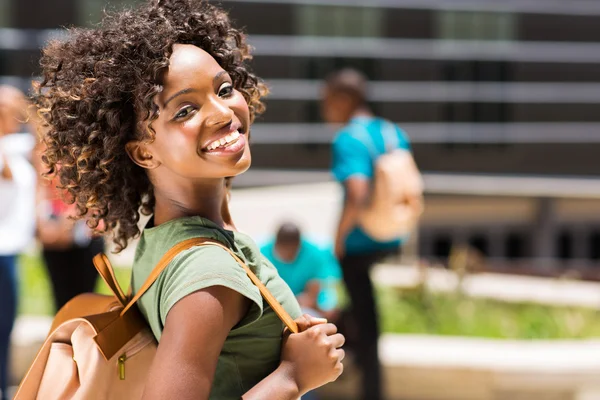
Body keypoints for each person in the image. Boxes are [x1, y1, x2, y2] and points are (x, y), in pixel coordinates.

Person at [33, 1, 344, 399]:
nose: (221, 113)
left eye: (224, 89)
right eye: (185, 110)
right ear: (144, 153)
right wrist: (294, 376)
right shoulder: (207, 271)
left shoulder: (168, 234)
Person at [322, 68, 414, 400]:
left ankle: (370, 388)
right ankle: (366, 378)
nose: (325, 110)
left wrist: (338, 237)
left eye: (328, 102)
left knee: (362, 320)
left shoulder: (348, 138)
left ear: (344, 100)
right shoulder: (392, 132)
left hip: (360, 243)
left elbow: (357, 192)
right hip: (390, 236)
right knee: (365, 316)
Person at [0, 85, 36, 400]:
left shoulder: (14, 145)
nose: (22, 113)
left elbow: (41, 133)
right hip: (2, 254)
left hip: (11, 252)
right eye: (16, 108)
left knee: (5, 330)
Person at [261, 222, 341, 320]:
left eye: (292, 252)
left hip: (306, 306)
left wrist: (313, 301)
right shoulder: (261, 254)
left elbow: (321, 287)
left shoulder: (315, 253)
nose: (288, 255)